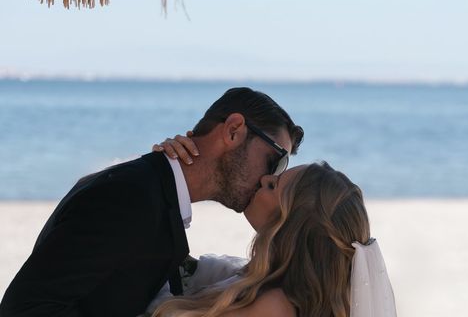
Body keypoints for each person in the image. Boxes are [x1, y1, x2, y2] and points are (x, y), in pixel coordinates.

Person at [0, 88, 303, 317]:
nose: (268, 179)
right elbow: (24, 309)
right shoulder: (131, 196)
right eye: (275, 161)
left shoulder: (155, 194)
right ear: (234, 131)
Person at [147, 162, 397, 317]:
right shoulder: (254, 280)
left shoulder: (273, 307)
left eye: (274, 185)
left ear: (289, 225)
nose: (264, 178)